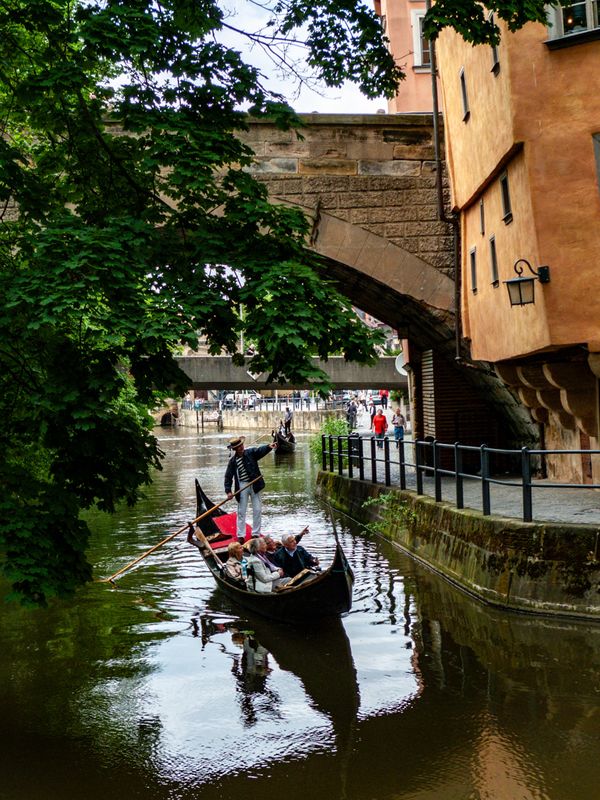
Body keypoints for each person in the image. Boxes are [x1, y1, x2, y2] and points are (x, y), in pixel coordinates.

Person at [224, 435, 277, 541]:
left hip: (255, 484)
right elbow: (228, 476)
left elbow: (259, 451)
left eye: (241, 445)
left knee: (257, 510)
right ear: (234, 449)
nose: (241, 447)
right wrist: (228, 491)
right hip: (242, 486)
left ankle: (256, 533)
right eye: (238, 447)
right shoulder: (233, 462)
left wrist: (269, 447)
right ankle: (240, 535)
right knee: (241, 511)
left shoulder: (251, 453)